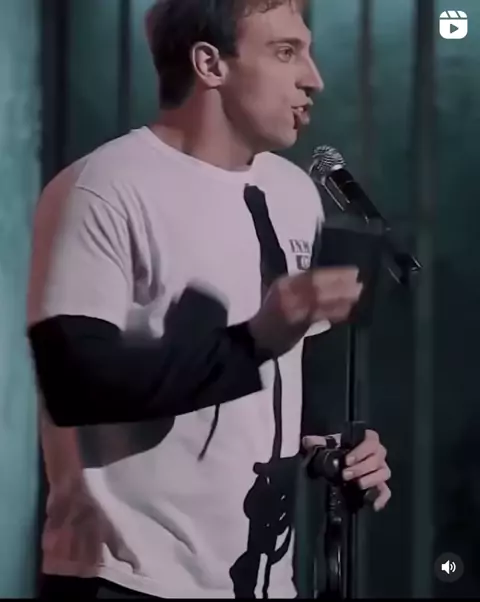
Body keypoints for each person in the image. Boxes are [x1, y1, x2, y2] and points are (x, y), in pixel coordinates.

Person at [28, 0, 391, 598]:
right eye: (285, 52)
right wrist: (254, 339)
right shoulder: (102, 188)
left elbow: (292, 379)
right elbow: (75, 384)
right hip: (125, 580)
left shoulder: (293, 192)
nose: (314, 79)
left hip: (263, 582)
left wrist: (337, 448)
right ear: (210, 63)